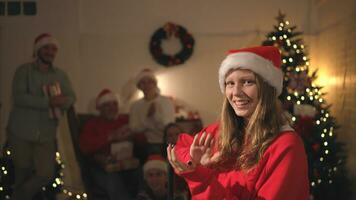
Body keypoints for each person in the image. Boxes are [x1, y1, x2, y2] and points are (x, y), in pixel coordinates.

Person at [167, 46, 309, 200]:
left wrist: (201, 177)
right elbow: (180, 147)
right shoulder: (220, 131)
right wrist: (195, 162)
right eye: (230, 83)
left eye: (247, 82)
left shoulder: (286, 145)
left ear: (267, 89)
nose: (236, 93)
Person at [6, 33, 76, 200]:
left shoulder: (61, 75)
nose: (50, 52)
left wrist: (63, 101)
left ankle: (17, 197)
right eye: (46, 48)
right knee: (22, 170)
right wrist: (49, 102)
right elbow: (20, 97)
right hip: (21, 131)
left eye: (53, 49)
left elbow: (72, 97)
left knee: (46, 173)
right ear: (38, 50)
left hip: (46, 133)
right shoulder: (24, 71)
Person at [79, 89, 138, 200]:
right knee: (113, 181)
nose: (112, 108)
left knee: (142, 174)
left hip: (127, 164)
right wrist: (110, 137)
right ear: (99, 108)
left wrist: (133, 135)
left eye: (114, 104)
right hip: (102, 167)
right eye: (107, 105)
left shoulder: (125, 121)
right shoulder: (92, 124)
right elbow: (84, 147)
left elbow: (141, 138)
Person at [129, 69, 175, 161]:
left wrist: (155, 116)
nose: (147, 85)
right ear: (139, 86)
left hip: (165, 142)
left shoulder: (166, 102)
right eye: (143, 82)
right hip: (145, 144)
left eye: (149, 82)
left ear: (154, 84)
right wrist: (149, 119)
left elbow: (169, 126)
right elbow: (134, 128)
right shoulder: (136, 106)